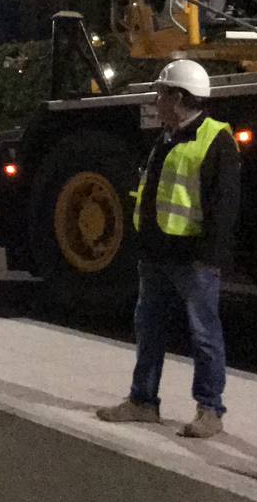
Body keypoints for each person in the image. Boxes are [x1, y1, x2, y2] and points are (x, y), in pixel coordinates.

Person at [96, 59, 240, 439]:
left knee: (204, 333)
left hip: (192, 259)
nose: (156, 99)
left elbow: (223, 207)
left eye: (161, 93)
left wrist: (209, 257)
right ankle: (143, 401)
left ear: (178, 97)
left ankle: (210, 409)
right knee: (149, 328)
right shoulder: (168, 136)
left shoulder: (215, 140)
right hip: (157, 254)